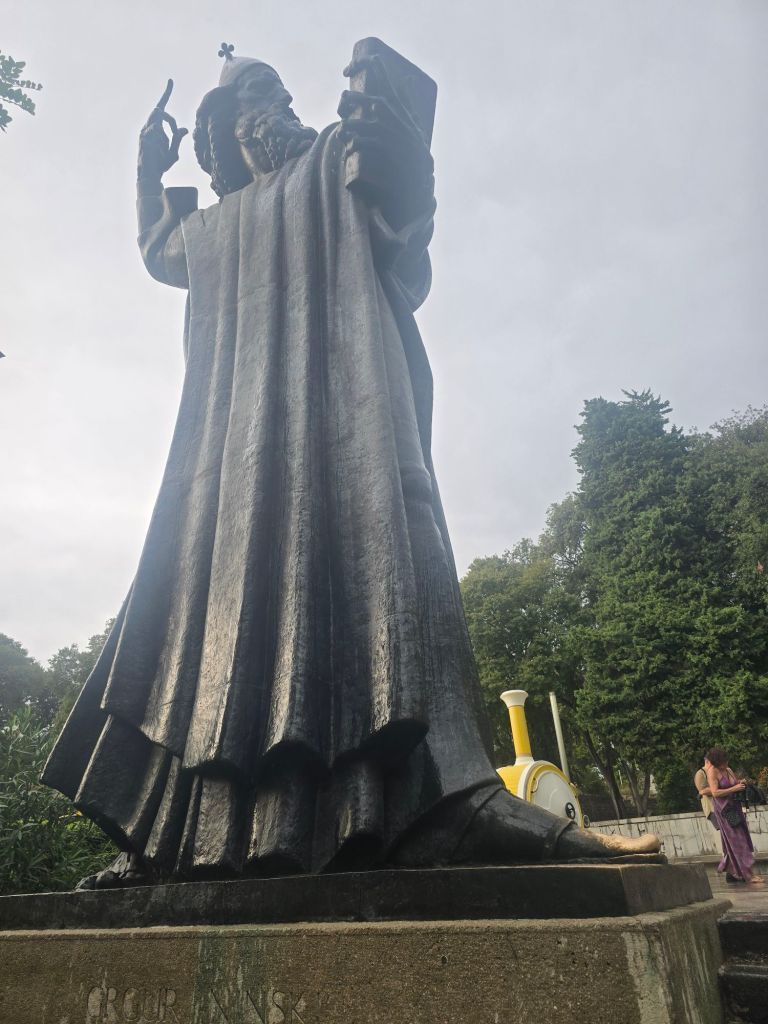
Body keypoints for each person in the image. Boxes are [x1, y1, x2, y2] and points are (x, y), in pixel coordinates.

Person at [42, 43, 659, 887]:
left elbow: (400, 191)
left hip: (351, 424)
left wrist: (385, 115)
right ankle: (189, 838)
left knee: (397, 556)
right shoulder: (219, 226)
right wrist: (148, 175)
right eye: (253, 102)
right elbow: (163, 251)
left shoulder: (333, 159)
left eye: (278, 94)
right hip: (233, 467)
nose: (276, 110)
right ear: (223, 137)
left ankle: (450, 801)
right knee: (210, 616)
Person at [705, 747, 763, 885]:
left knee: (740, 838)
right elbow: (715, 792)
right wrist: (733, 788)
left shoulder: (728, 770)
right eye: (722, 762)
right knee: (738, 840)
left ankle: (734, 872)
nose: (725, 764)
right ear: (716, 762)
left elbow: (735, 784)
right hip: (726, 811)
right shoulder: (712, 772)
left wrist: (741, 783)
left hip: (735, 807)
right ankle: (748, 874)